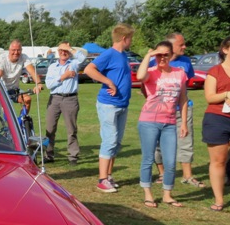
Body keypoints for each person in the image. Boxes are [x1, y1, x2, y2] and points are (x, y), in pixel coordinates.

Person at [136, 42, 189, 208]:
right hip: (149, 121)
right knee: (148, 158)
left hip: (170, 122)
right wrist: (148, 55)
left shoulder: (179, 73)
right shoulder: (151, 72)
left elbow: (183, 98)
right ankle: (148, 194)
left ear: (172, 55)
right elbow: (139, 77)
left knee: (170, 161)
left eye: (166, 54)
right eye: (159, 55)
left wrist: (184, 123)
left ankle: (167, 194)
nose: (162, 58)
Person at [83, 24, 135, 193]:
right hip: (108, 104)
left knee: (117, 143)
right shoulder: (109, 54)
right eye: (130, 39)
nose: (131, 42)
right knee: (110, 140)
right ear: (124, 39)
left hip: (122, 104)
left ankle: (109, 176)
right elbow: (89, 69)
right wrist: (108, 82)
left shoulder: (123, 55)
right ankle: (102, 179)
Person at [152, 33, 204, 187]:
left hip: (183, 108)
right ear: (170, 46)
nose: (184, 47)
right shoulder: (153, 62)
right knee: (158, 142)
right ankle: (162, 174)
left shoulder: (186, 62)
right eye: (181, 44)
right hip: (160, 109)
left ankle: (188, 176)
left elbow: (185, 86)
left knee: (185, 140)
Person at [44, 42, 86, 165]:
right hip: (55, 98)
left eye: (65, 51)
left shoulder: (74, 64)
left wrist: (70, 48)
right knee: (50, 128)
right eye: (61, 50)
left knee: (71, 129)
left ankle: (73, 156)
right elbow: (49, 85)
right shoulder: (52, 66)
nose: (63, 52)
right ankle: (49, 154)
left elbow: (82, 58)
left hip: (70, 99)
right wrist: (63, 77)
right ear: (58, 51)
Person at [202, 35, 230, 211]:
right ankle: (219, 200)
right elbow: (210, 97)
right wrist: (227, 94)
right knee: (219, 160)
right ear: (225, 50)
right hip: (217, 118)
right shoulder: (215, 71)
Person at [0, 40, 43, 113]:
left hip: (15, 89)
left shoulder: (23, 57)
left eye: (18, 50)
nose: (16, 52)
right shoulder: (2, 59)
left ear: (21, 50)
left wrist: (38, 83)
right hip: (3, 89)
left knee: (27, 99)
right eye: (13, 50)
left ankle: (23, 121)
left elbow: (31, 70)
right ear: (9, 50)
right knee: (6, 110)